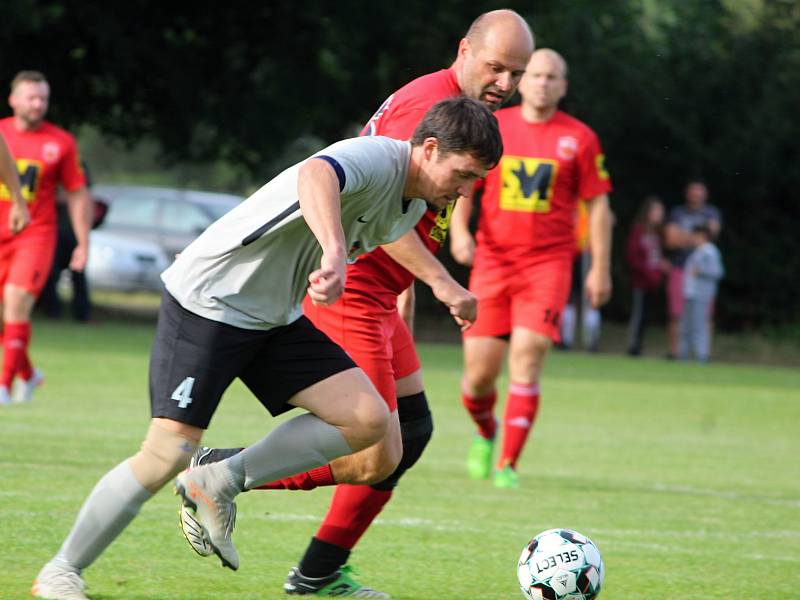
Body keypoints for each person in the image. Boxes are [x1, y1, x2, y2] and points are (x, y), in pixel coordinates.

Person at [32, 97, 503, 600]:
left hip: (274, 317)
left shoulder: (410, 204)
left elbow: (387, 239)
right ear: (429, 149)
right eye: (466, 173)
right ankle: (62, 571)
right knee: (166, 451)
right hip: (211, 301)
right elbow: (316, 175)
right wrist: (335, 250)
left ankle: (219, 480)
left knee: (369, 419)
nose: (467, 188)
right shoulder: (378, 157)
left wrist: (437, 284)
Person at [179, 10, 533, 598]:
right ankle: (219, 473)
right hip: (353, 290)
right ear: (464, 50)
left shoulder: (464, 119)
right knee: (373, 450)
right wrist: (443, 283)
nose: (505, 84)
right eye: (496, 67)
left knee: (410, 434)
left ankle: (317, 572)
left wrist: (409, 296)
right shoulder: (424, 104)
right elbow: (372, 207)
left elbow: (417, 215)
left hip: (382, 294)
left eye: (515, 73)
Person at [449, 48, 613, 489]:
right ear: (525, 81)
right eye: (536, 75)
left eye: (552, 77)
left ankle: (507, 465)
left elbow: (597, 207)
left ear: (563, 86)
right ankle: (487, 433)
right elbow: (465, 179)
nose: (542, 82)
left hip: (549, 265)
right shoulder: (494, 125)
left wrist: (600, 267)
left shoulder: (580, 138)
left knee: (527, 357)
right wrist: (459, 231)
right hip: (493, 262)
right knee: (479, 376)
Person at [0, 70, 92, 405]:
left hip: (34, 235)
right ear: (13, 99)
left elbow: (78, 194)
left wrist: (83, 243)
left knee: (15, 303)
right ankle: (29, 374)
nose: (38, 104)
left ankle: (4, 387)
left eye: (43, 98)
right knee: (5, 319)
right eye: (31, 97)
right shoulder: (1, 133)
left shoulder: (61, 142)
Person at [663, 179, 722, 359]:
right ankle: (676, 353)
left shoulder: (712, 213)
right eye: (692, 191)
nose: (696, 195)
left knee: (704, 316)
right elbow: (671, 240)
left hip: (702, 281)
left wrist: (683, 236)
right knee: (677, 313)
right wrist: (696, 237)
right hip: (680, 269)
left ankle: (703, 354)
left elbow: (712, 234)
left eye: (699, 192)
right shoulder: (677, 213)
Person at [38, 161, 97, 322]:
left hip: (73, 232)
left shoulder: (79, 165)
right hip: (53, 230)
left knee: (78, 273)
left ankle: (82, 315)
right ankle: (52, 312)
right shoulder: (49, 163)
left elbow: (84, 196)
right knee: (51, 273)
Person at [626, 195, 669, 356]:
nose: (660, 214)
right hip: (641, 281)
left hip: (654, 281)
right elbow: (633, 257)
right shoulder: (638, 231)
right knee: (638, 315)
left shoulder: (658, 234)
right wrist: (647, 273)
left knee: (647, 317)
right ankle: (633, 346)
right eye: (657, 211)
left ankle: (640, 345)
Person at [559, 202, 601, 352]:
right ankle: (572, 341)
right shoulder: (586, 204)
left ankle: (579, 341)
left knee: (585, 300)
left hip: (580, 253)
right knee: (571, 299)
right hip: (577, 253)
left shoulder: (580, 203)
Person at [678, 224, 723, 362]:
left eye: (695, 235)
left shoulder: (710, 251)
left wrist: (701, 271)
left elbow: (717, 272)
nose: (692, 238)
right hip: (690, 294)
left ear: (703, 236)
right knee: (685, 326)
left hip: (701, 295)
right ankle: (682, 355)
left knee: (699, 326)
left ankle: (701, 356)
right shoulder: (697, 251)